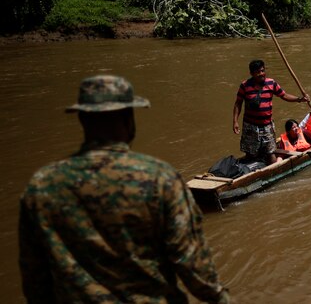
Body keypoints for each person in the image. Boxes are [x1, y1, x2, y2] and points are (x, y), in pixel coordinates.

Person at [19, 75, 230, 303]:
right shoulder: (159, 178)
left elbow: (34, 279)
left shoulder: (42, 186)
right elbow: (192, 264)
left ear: (82, 119)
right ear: (129, 119)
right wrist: (221, 298)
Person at [232, 59, 308, 165]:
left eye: (262, 71)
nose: (261, 74)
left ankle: (274, 168)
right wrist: (235, 121)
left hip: (267, 125)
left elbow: (284, 95)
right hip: (250, 126)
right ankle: (250, 169)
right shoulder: (245, 86)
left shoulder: (271, 83)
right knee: (250, 153)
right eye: (258, 72)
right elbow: (238, 103)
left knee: (270, 152)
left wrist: (299, 99)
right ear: (252, 74)